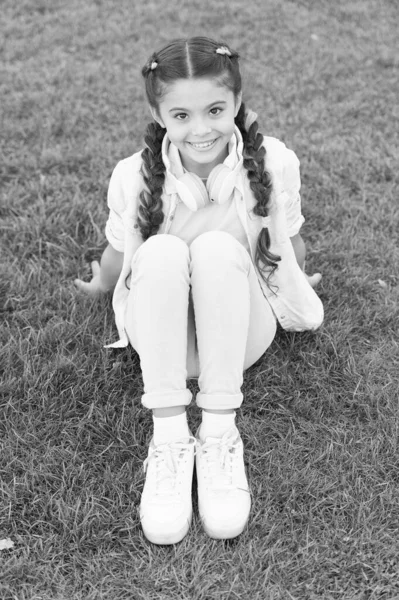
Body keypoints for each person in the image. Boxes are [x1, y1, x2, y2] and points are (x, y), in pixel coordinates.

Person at [74, 36, 323, 545]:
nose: (201, 128)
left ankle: (218, 434)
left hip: (236, 339)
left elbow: (287, 234)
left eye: (215, 109)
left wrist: (296, 278)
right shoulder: (132, 174)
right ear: (158, 113)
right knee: (162, 253)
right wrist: (103, 283)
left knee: (214, 248)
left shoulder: (273, 161)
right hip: (161, 341)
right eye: (181, 114)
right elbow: (122, 251)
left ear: (236, 102)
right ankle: (168, 437)